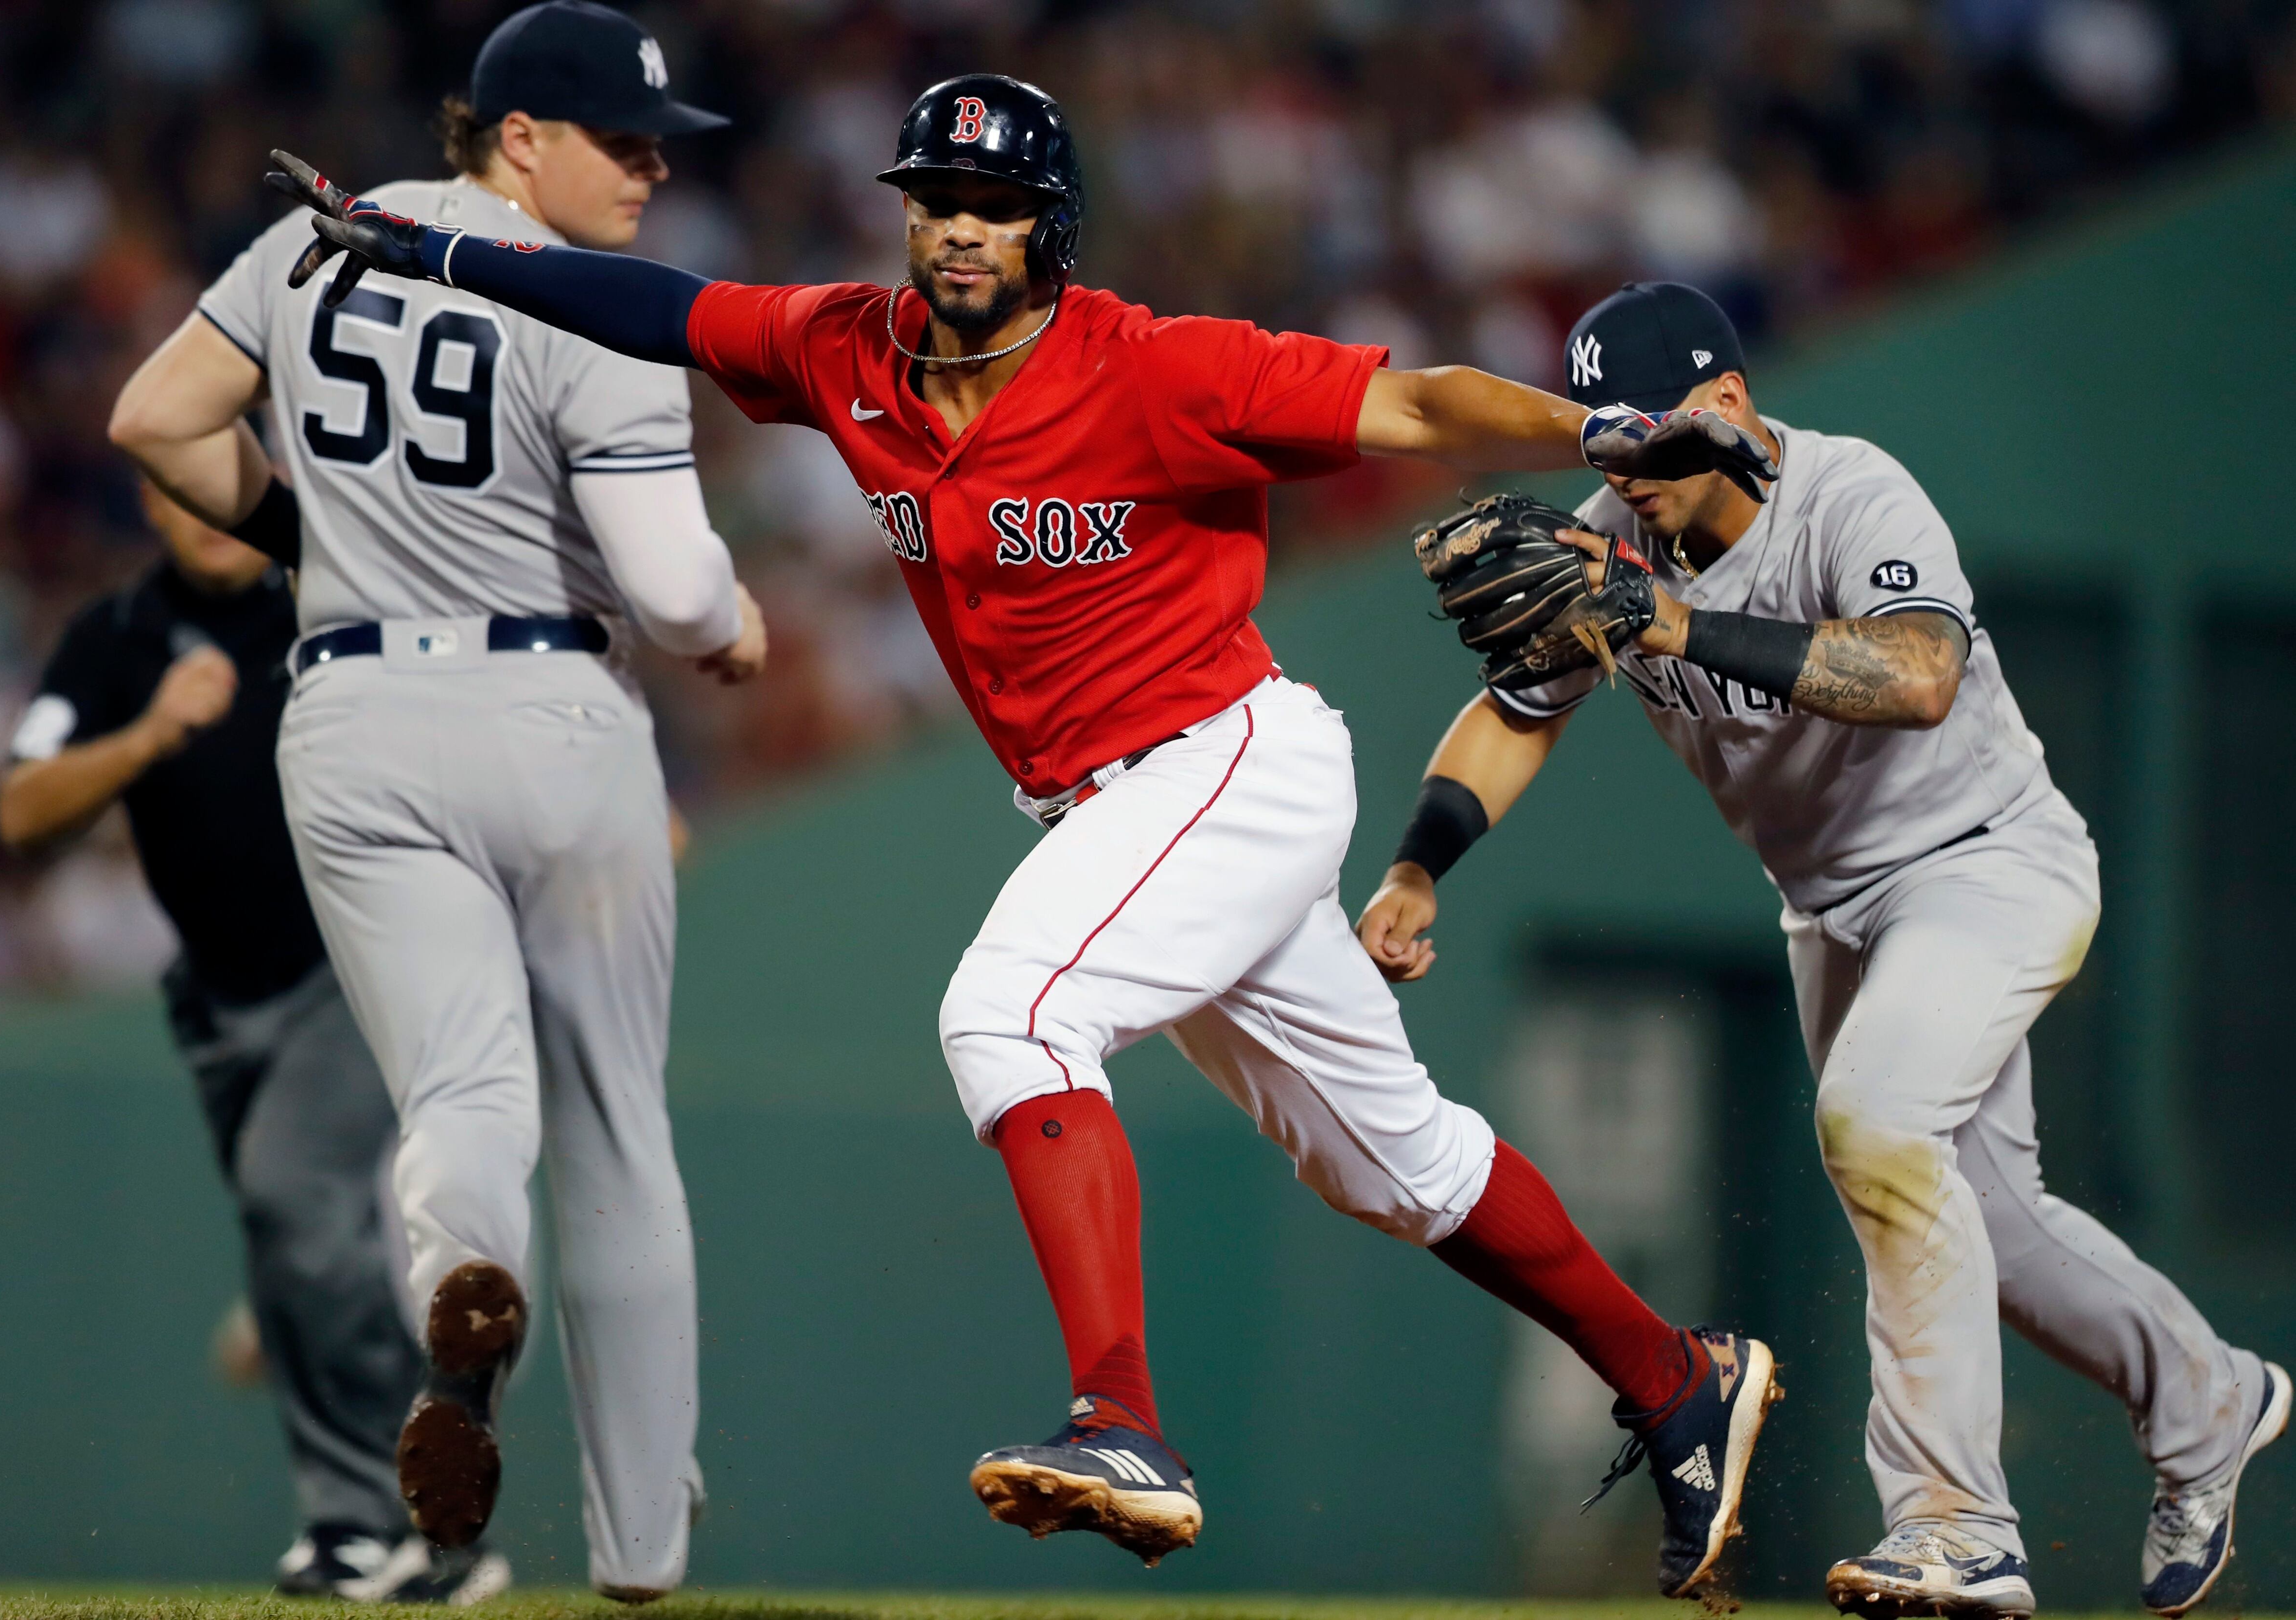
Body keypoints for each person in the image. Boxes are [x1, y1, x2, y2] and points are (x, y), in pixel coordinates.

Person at [272, 74, 1794, 1596]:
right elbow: (654, 304)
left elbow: (1413, 401)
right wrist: (434, 251)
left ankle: (1121, 1419)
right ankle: (1678, 1379)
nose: (960, 229)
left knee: (1011, 1011)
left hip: (1224, 760)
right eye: (937, 197)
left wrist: (1582, 424)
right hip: (1121, 808)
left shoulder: (1154, 367)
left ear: (1049, 228)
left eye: (997, 207)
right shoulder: (841, 350)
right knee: (1398, 1168)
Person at [1358, 281, 2287, 1618]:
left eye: (1660, 442)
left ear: (1729, 405)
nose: (1633, 474)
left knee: (1874, 1128)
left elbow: (1916, 677)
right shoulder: (1617, 530)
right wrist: (1416, 864)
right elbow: (1517, 708)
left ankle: (1959, 1526)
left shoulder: (1855, 495)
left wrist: (1668, 621)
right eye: (1611, 445)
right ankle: (2210, 1398)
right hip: (1831, 908)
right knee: (2002, 1235)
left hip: (1988, 860)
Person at [105, 1, 765, 1601]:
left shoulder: (322, 243)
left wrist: (306, 541)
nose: (652, 174)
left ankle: (464, 1280)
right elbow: (675, 595)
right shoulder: (600, 303)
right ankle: (641, 1546)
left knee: (460, 1099)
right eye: (622, 142)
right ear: (517, 137)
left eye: (661, 148)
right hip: (552, 709)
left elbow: (153, 422)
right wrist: (735, 619)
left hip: (352, 710)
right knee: (614, 1124)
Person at [0, 483, 510, 1604]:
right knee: (292, 1255)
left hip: (353, 966)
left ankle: (400, 1514)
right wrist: (147, 732)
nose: (211, 506)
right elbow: (22, 812)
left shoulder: (336, 604)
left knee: (292, 1196)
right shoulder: (114, 637)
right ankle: (386, 1532)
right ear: (149, 495)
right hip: (217, 1000)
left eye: (228, 476)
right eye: (186, 481)